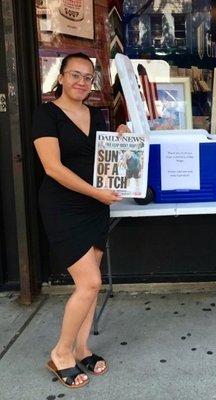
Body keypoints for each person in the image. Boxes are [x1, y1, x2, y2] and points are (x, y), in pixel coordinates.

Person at [32, 52, 129, 388]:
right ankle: (60, 353)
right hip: (63, 207)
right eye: (75, 74)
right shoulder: (46, 115)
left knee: (87, 286)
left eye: (88, 77)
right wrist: (95, 192)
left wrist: (121, 138)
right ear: (60, 77)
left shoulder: (96, 115)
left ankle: (82, 348)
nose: (81, 82)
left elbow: (104, 158)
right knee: (89, 284)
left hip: (94, 207)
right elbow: (53, 168)